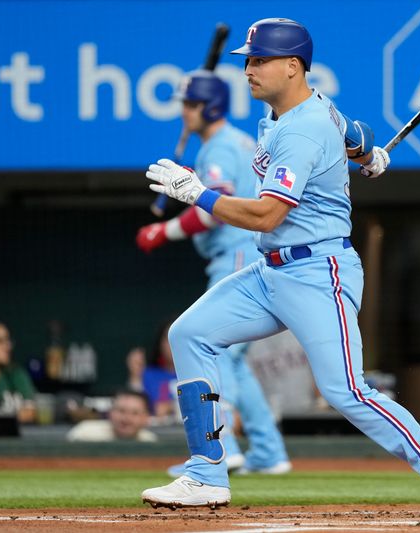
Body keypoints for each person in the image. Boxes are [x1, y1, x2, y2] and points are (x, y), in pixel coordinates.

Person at [139, 18, 420, 517]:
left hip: (317, 272)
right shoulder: (302, 109)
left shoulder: (300, 130)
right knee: (189, 333)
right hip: (271, 271)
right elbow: (353, 130)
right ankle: (205, 474)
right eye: (248, 60)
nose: (249, 69)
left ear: (292, 65)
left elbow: (266, 213)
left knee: (346, 390)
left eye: (259, 60)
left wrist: (198, 195)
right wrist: (367, 153)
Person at [135, 69, 290, 475]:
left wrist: (164, 230)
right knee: (235, 360)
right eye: (184, 104)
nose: (185, 112)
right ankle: (269, 452)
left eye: (192, 104)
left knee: (212, 346)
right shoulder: (233, 141)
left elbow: (216, 205)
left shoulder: (219, 147)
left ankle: (223, 446)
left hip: (236, 253)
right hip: (247, 252)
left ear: (212, 106)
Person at [126, 320, 178, 420]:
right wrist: (135, 376)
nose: (173, 344)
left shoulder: (198, 374)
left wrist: (172, 406)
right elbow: (133, 407)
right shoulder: (147, 374)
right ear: (160, 343)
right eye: (168, 339)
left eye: (177, 339)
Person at [67, 390, 157, 442]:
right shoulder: (84, 433)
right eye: (121, 411)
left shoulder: (150, 441)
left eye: (135, 413)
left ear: (146, 418)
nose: (126, 418)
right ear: (110, 413)